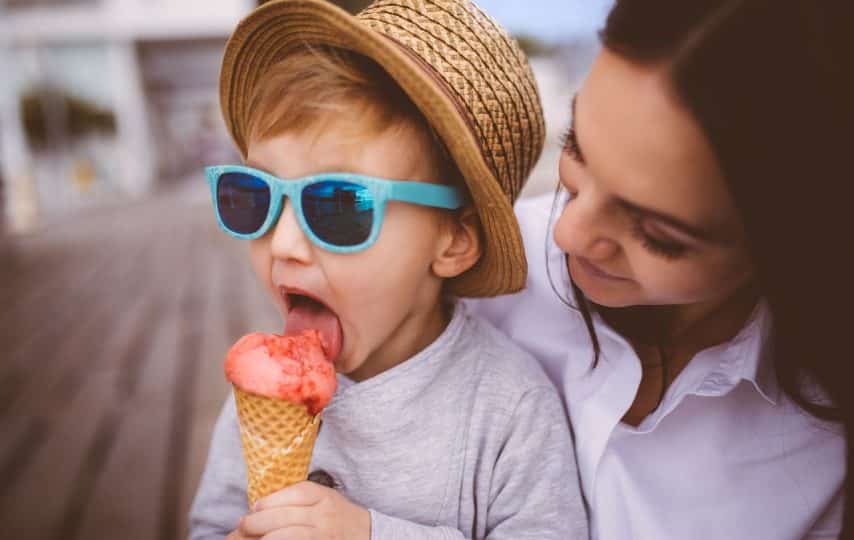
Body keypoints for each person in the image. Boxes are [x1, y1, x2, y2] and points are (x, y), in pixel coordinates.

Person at [189, 1, 589, 539]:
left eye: (337, 205)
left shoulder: (510, 409)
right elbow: (210, 524)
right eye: (255, 194)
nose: (283, 243)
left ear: (454, 240)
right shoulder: (258, 393)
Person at [470, 0, 853, 538]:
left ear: (792, 245)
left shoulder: (826, 434)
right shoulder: (467, 274)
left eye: (657, 234)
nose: (566, 233)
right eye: (575, 148)